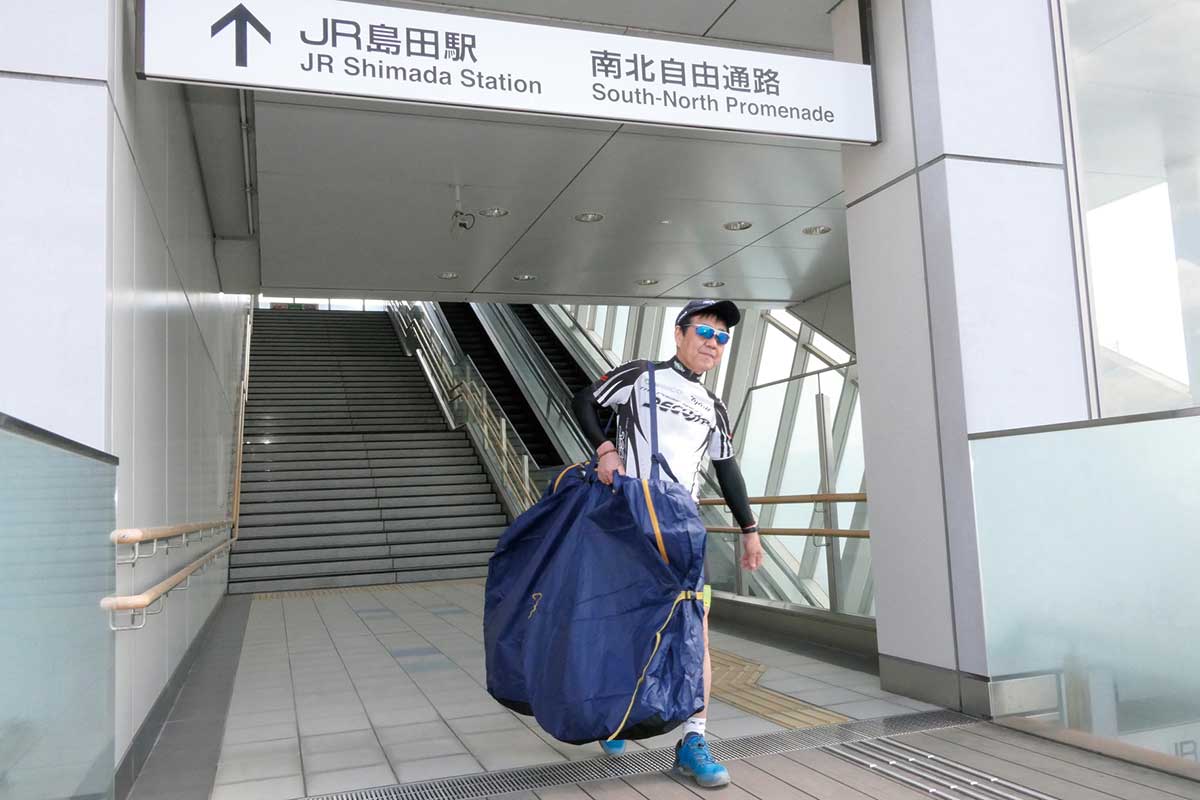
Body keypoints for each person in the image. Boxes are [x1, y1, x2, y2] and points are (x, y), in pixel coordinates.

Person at [571, 299, 764, 788]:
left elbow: (727, 469)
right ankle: (616, 712)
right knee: (624, 621)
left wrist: (749, 529)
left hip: (683, 526)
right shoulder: (641, 376)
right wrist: (606, 450)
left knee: (696, 630)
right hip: (629, 517)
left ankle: (694, 740)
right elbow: (583, 400)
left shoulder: (714, 407)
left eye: (722, 337)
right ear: (679, 334)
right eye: (705, 331)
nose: (714, 343)